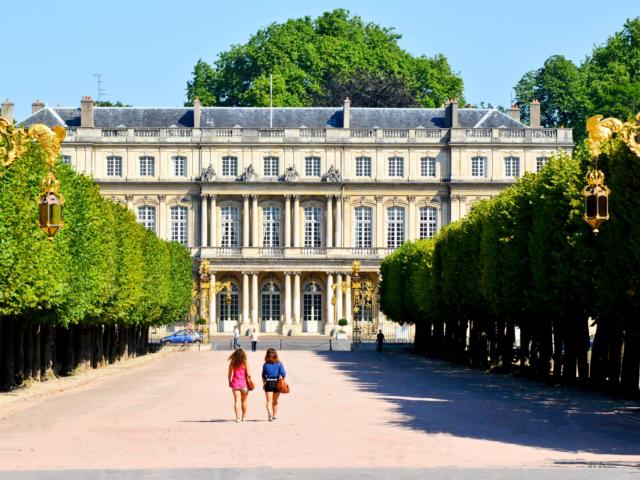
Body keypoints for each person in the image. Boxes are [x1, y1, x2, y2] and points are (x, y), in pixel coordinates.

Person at [262, 348, 286, 422]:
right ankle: (274, 416)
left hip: (269, 382)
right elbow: (284, 374)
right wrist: (282, 380)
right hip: (277, 382)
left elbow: (263, 375)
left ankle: (270, 413)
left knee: (269, 401)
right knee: (275, 401)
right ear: (275, 355)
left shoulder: (265, 365)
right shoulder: (279, 363)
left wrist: (264, 383)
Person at [228, 348, 252, 422]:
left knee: (237, 401)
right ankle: (244, 417)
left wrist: (229, 381)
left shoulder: (232, 363)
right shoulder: (245, 363)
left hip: (235, 384)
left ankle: (237, 418)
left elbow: (229, 375)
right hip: (244, 384)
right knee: (244, 401)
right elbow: (249, 374)